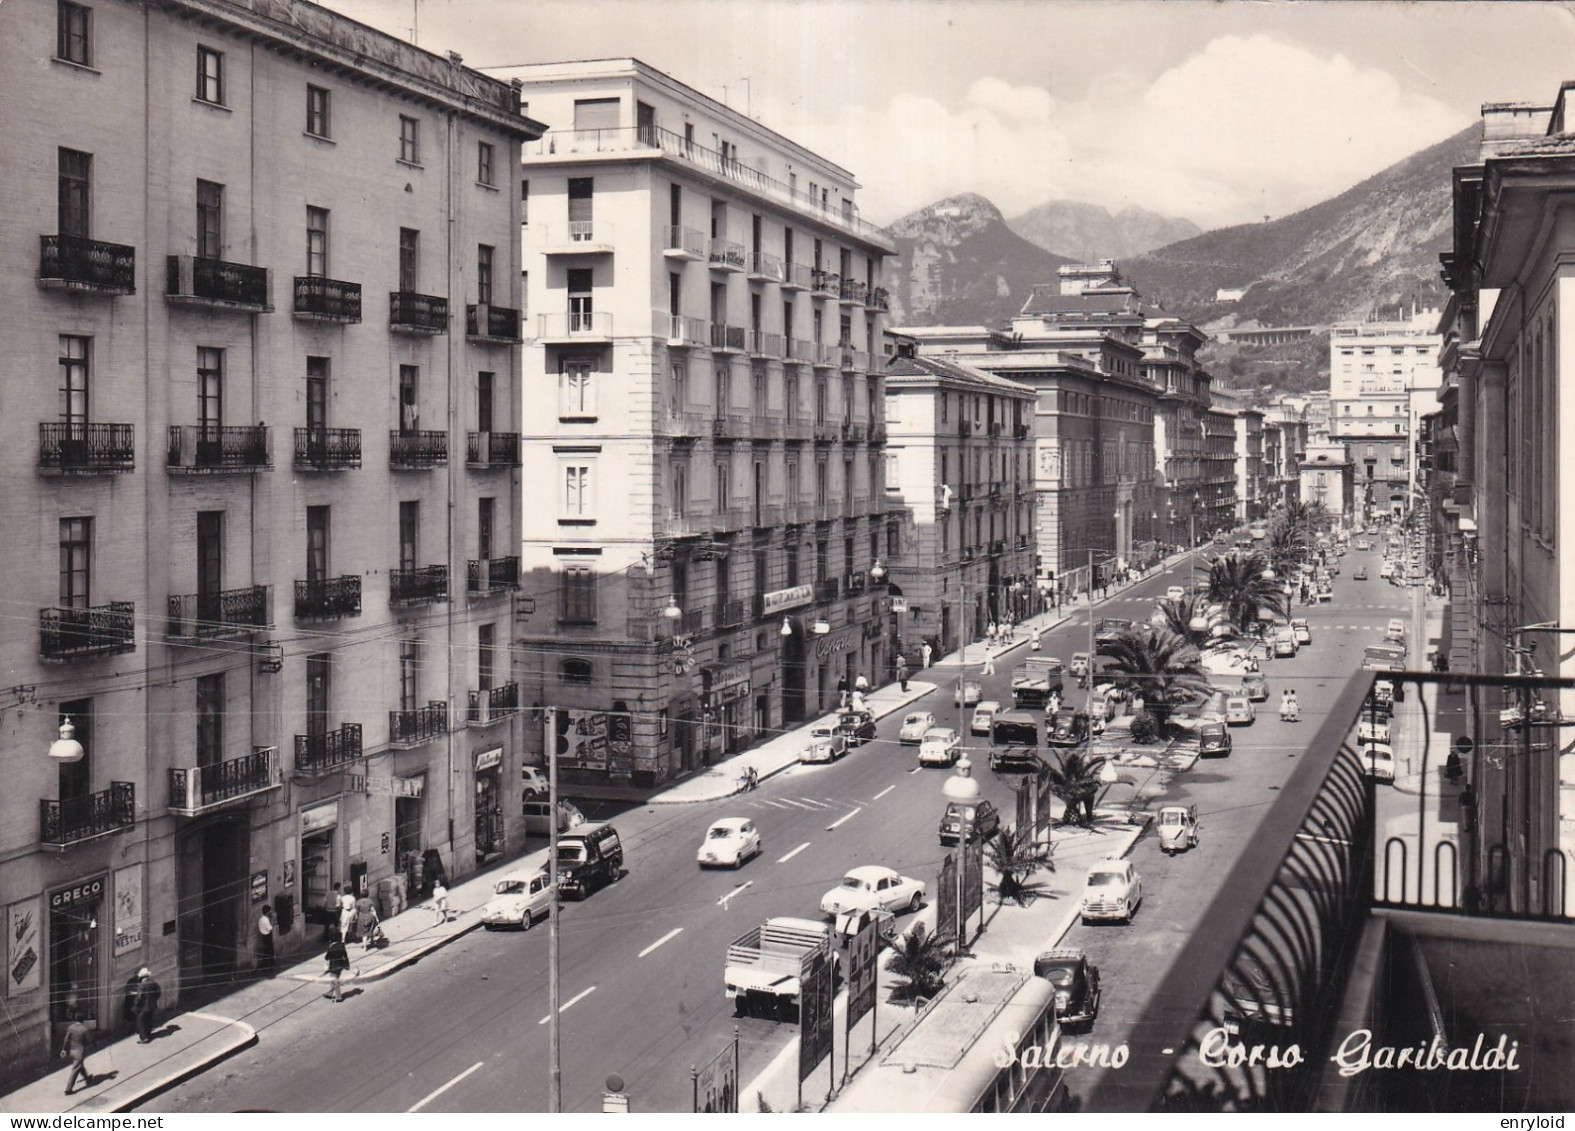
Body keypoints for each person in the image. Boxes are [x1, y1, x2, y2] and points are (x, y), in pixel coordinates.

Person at [61, 1006, 92, 1095]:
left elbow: (66, 1039)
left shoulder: (71, 1027)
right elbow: (89, 1040)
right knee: (76, 1068)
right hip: (80, 1052)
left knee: (79, 1065)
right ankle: (68, 1089)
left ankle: (88, 1079)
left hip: (72, 1051)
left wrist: (64, 1050)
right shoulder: (84, 1029)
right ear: (83, 1020)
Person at [132, 968, 161, 1043]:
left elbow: (139, 997)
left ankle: (144, 1037)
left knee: (140, 1021)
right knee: (148, 1020)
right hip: (152, 1005)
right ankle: (148, 1034)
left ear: (142, 977)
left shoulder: (142, 985)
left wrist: (136, 1005)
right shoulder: (154, 983)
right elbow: (159, 993)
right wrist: (154, 1000)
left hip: (143, 1007)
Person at [324, 933, 350, 1002]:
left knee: (335, 981)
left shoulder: (332, 947)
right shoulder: (342, 946)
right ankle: (329, 994)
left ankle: (339, 997)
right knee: (333, 980)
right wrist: (347, 965)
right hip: (340, 966)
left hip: (333, 966)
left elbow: (327, 957)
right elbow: (345, 956)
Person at [257, 905, 276, 974]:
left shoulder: (260, 919)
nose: (270, 912)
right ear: (267, 912)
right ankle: (270, 965)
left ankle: (266, 965)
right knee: (270, 951)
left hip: (263, 936)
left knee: (265, 951)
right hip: (267, 936)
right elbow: (270, 929)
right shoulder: (266, 920)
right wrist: (272, 920)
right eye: (270, 911)